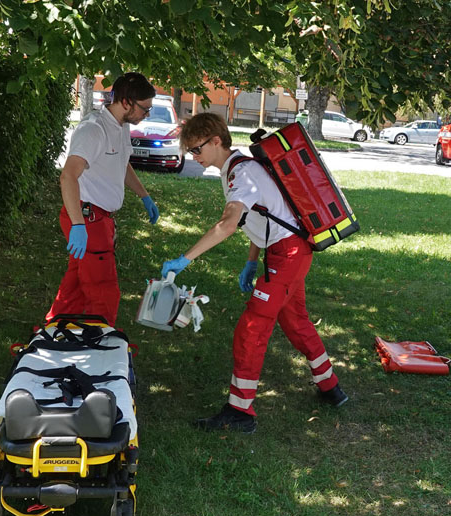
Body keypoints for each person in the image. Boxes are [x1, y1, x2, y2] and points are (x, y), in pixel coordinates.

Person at [161, 112, 348, 434]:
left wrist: (184, 259)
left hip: (287, 255)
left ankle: (240, 412)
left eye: (196, 149)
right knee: (296, 322)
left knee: (251, 330)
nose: (193, 156)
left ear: (216, 141)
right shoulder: (237, 169)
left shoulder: (242, 172)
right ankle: (330, 386)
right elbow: (263, 218)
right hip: (287, 252)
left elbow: (228, 224)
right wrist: (252, 260)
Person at [45, 72, 160, 326]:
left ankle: (56, 328)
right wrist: (78, 225)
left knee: (76, 281)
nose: (147, 114)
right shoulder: (93, 130)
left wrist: (144, 196)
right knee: (103, 289)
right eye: (145, 109)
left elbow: (122, 163)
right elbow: (68, 176)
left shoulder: (121, 126)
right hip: (87, 218)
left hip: (99, 219)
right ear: (126, 102)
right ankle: (101, 337)